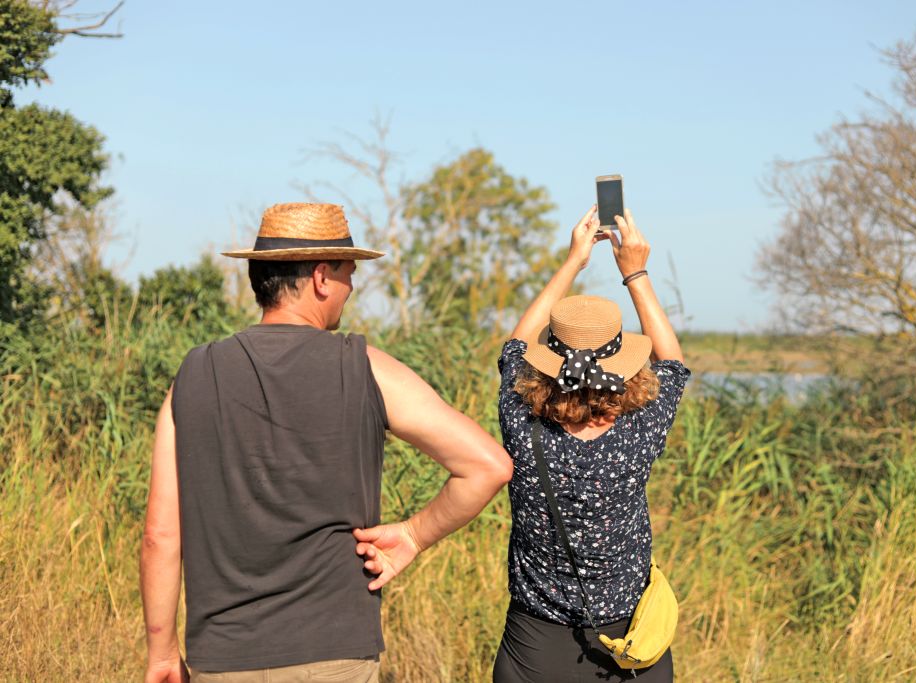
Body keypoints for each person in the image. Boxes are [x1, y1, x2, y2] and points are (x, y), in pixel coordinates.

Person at [140, 203, 512, 683]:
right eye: (348, 273)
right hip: (334, 656)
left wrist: (163, 652)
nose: (351, 288)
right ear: (320, 278)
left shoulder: (192, 376)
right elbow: (489, 466)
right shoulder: (364, 368)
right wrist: (415, 536)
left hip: (222, 657)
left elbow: (160, 535)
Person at [492, 206, 690, 682]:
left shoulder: (522, 421)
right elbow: (674, 365)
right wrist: (635, 271)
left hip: (532, 644)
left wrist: (573, 261)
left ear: (547, 361)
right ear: (622, 360)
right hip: (629, 646)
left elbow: (513, 349)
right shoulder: (640, 426)